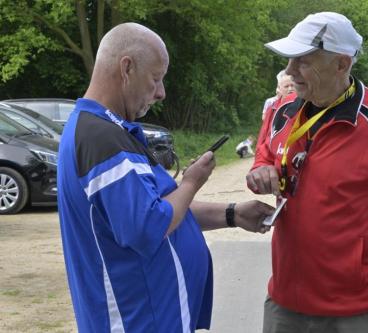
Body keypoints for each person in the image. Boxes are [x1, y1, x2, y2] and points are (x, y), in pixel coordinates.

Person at [57, 23, 274, 332]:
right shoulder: (100, 138)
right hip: (135, 322)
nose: (161, 93)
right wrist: (191, 182)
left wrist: (232, 214)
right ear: (127, 68)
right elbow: (148, 226)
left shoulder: (109, 131)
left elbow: (160, 208)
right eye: (156, 79)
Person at [246, 12, 368, 333]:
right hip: (286, 302)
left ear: (342, 64)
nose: (290, 71)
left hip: (361, 310)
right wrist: (261, 170)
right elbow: (264, 156)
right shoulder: (282, 111)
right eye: (290, 61)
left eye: (303, 62)